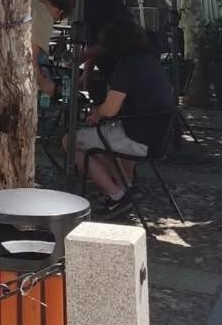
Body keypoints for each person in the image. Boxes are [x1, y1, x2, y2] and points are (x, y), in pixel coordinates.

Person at [72, 19, 174, 219]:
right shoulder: (149, 61)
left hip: (137, 137)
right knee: (100, 145)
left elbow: (110, 110)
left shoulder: (127, 65)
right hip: (157, 137)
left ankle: (117, 194)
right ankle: (126, 187)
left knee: (70, 142)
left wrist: (97, 113)